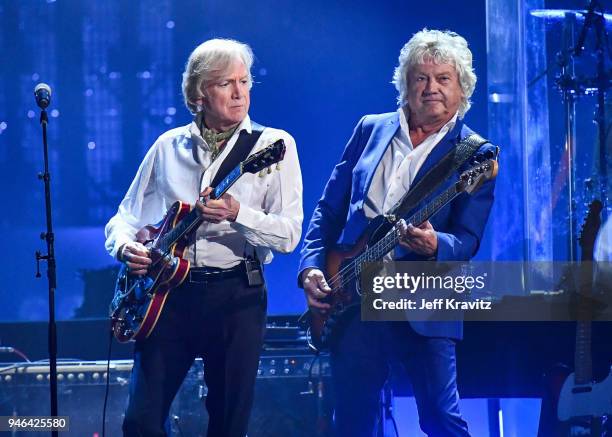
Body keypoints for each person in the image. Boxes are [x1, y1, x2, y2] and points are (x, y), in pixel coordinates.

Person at [298, 29, 497, 436]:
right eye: (421, 78)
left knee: (441, 417)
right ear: (404, 85)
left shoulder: (475, 154)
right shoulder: (370, 129)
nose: (431, 89)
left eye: (444, 79)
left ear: (463, 88)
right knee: (353, 420)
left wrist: (435, 243)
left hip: (424, 297)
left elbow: (468, 239)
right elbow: (329, 209)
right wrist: (311, 268)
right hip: (351, 298)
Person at [105, 38, 303, 437]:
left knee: (228, 424)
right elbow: (124, 218)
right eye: (226, 83)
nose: (239, 93)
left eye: (244, 82)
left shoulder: (273, 146)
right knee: (140, 421)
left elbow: (288, 235)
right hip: (168, 296)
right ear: (199, 94)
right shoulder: (167, 147)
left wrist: (238, 213)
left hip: (236, 296)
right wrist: (126, 246)